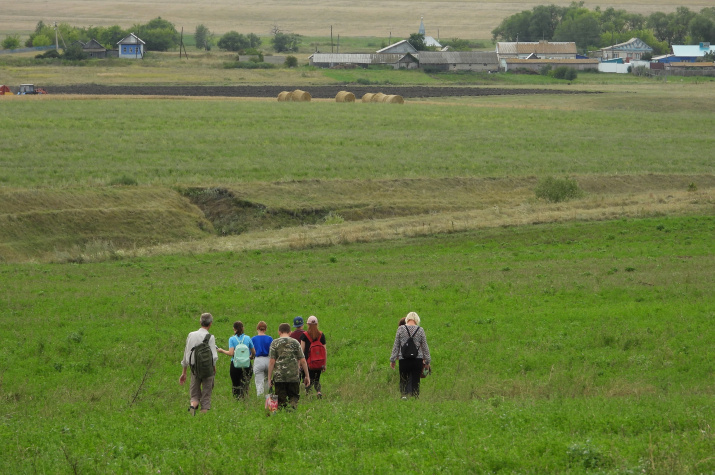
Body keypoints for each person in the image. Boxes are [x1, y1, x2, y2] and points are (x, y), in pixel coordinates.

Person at [180, 312, 218, 414]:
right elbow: (214, 356)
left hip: (194, 369)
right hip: (207, 369)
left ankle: (192, 410)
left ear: (200, 322)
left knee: (194, 396)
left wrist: (184, 372)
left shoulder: (191, 335)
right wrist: (214, 368)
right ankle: (202, 419)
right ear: (210, 324)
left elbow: (186, 354)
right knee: (206, 396)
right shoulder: (210, 337)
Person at [267, 323, 310, 410]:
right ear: (290, 332)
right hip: (293, 376)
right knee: (294, 398)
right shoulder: (295, 342)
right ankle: (293, 415)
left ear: (279, 332)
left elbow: (272, 362)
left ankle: (282, 417)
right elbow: (303, 360)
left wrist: (269, 378)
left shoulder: (274, 343)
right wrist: (307, 376)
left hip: (279, 377)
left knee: (280, 400)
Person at [390, 311, 431, 399]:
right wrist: (427, 361)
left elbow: (396, 345)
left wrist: (392, 359)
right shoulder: (420, 330)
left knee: (403, 379)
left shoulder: (400, 329)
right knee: (416, 380)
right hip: (417, 360)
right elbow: (425, 347)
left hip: (404, 359)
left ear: (407, 319)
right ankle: (415, 398)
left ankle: (404, 396)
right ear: (417, 320)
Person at [217, 321, 255, 399]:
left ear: (234, 329)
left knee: (235, 385)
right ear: (243, 328)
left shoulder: (232, 339)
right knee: (245, 384)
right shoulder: (247, 338)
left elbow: (231, 353)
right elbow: (253, 351)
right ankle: (244, 399)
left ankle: (237, 400)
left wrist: (222, 351)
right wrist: (251, 357)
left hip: (235, 364)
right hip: (246, 365)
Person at [300, 315, 327, 398]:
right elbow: (324, 351)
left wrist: (301, 363)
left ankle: (309, 394)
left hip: (308, 362)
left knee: (308, 378)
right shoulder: (321, 335)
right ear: (317, 324)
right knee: (317, 379)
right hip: (319, 362)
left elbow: (302, 350)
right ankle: (318, 391)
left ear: (307, 324)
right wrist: (324, 364)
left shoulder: (304, 335)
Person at [251, 321, 273, 396]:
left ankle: (260, 399)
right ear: (265, 329)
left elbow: (251, 352)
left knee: (259, 383)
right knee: (268, 381)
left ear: (257, 328)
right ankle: (268, 400)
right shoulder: (270, 338)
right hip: (268, 359)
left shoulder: (253, 339)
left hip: (258, 360)